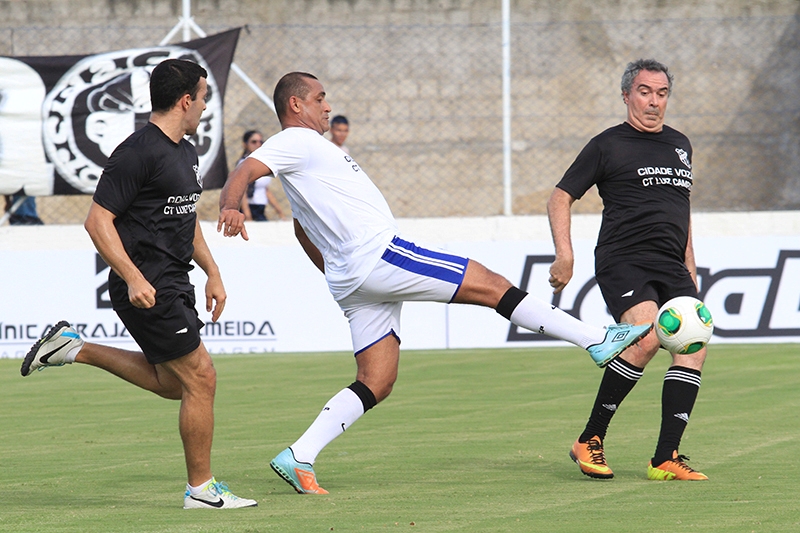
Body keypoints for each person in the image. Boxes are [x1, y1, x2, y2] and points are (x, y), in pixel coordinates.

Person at [216, 71, 652, 495]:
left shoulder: (305, 159)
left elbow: (301, 230)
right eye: (319, 98)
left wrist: (337, 273)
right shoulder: (296, 140)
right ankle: (594, 339)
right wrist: (231, 205)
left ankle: (300, 455)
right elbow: (245, 170)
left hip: (354, 279)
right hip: (378, 255)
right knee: (491, 284)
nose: (327, 106)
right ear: (295, 104)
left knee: (377, 379)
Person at [20, 59, 257, 509]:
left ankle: (75, 348)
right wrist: (132, 277)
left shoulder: (186, 152)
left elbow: (185, 218)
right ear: (185, 100)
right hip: (149, 286)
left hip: (176, 281)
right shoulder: (136, 152)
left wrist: (213, 271)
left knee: (174, 384)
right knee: (201, 377)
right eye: (203, 97)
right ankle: (201, 490)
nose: (205, 106)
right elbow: (97, 222)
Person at [547, 59, 708, 482]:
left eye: (661, 93)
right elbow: (560, 196)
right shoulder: (607, 144)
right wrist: (565, 254)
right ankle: (589, 438)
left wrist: (690, 268)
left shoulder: (680, 144)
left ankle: (665, 456)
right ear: (626, 95)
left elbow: (682, 211)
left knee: (693, 345)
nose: (654, 101)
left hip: (672, 264)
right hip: (624, 258)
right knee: (646, 337)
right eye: (644, 92)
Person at [238, 130, 286, 221]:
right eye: (253, 142)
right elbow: (242, 191)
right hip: (249, 207)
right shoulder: (243, 163)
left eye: (260, 142)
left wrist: (280, 212)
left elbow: (265, 189)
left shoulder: (262, 163)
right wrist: (247, 215)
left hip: (260, 207)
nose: (258, 144)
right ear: (245, 144)